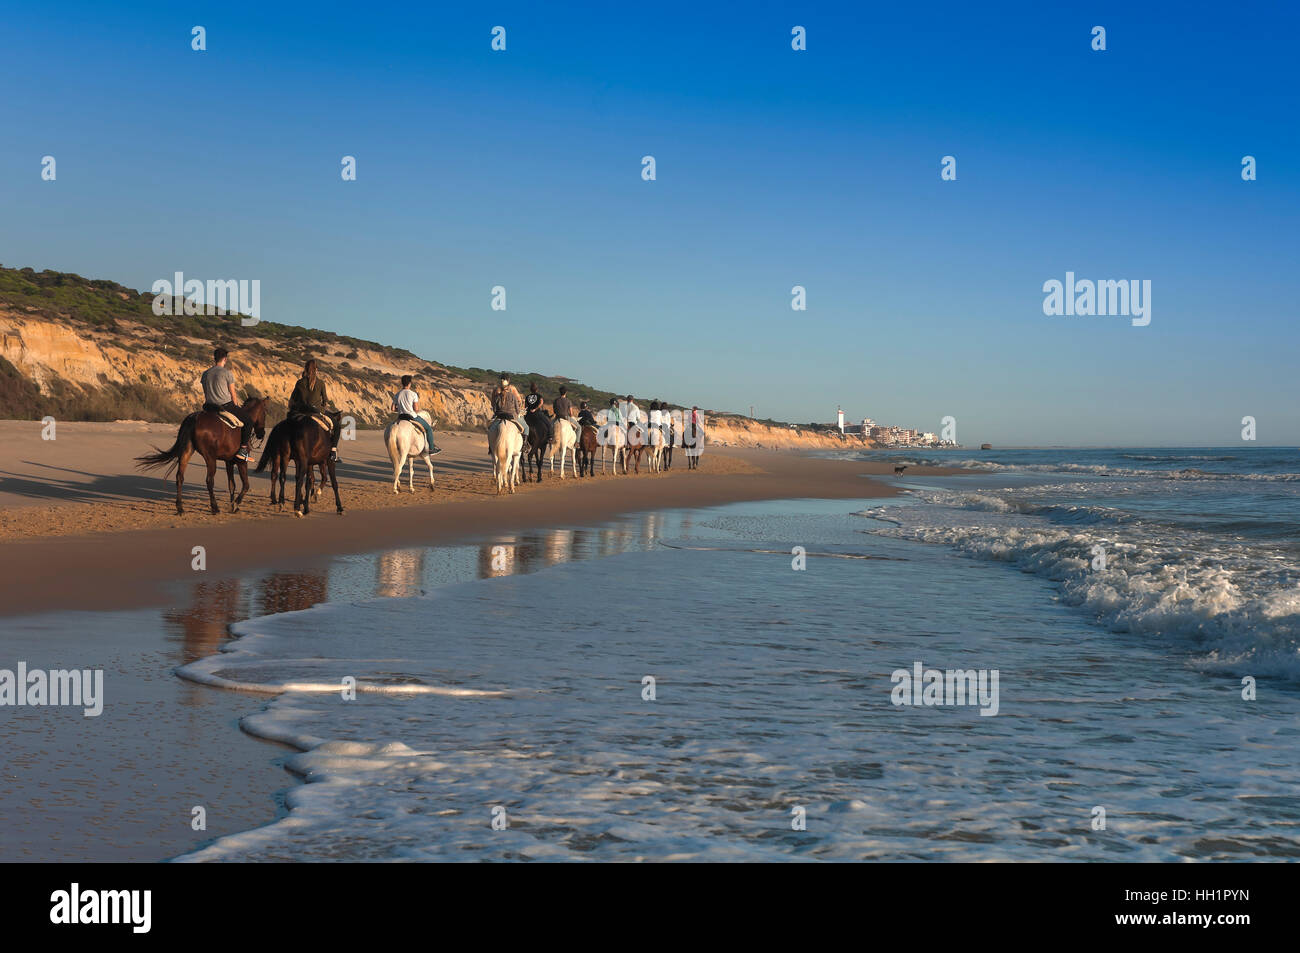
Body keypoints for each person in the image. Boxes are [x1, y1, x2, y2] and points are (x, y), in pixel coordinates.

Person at [200, 347, 254, 461]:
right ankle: (243, 450)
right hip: (224, 405)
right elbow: (233, 394)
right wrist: (236, 406)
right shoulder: (227, 373)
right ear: (225, 359)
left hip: (208, 407)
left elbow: (206, 392)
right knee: (249, 421)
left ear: (215, 358)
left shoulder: (205, 374)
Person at [288, 358, 343, 462]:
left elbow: (292, 400)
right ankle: (333, 452)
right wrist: (323, 406)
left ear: (305, 369)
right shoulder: (321, 383)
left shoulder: (299, 382)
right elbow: (325, 401)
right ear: (316, 369)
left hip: (301, 411)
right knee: (337, 426)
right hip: (316, 411)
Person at [392, 374, 440, 456]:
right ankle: (431, 448)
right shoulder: (413, 394)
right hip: (411, 417)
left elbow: (393, 409)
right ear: (409, 383)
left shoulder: (397, 394)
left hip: (400, 417)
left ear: (402, 383)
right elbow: (416, 409)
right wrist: (411, 410)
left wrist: (400, 409)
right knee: (428, 429)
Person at [490, 375, 525, 441]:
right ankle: (524, 445)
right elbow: (519, 402)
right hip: (511, 415)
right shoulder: (512, 389)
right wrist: (518, 413)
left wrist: (497, 412)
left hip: (499, 415)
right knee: (525, 428)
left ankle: (490, 448)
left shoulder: (496, 390)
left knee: (490, 428)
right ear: (508, 381)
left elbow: (493, 404)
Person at [524, 381, 553, 446]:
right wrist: (535, 409)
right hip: (537, 413)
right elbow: (541, 403)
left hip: (528, 414)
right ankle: (550, 438)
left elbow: (525, 406)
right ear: (537, 389)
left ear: (530, 390)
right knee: (549, 423)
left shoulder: (527, 396)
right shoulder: (539, 396)